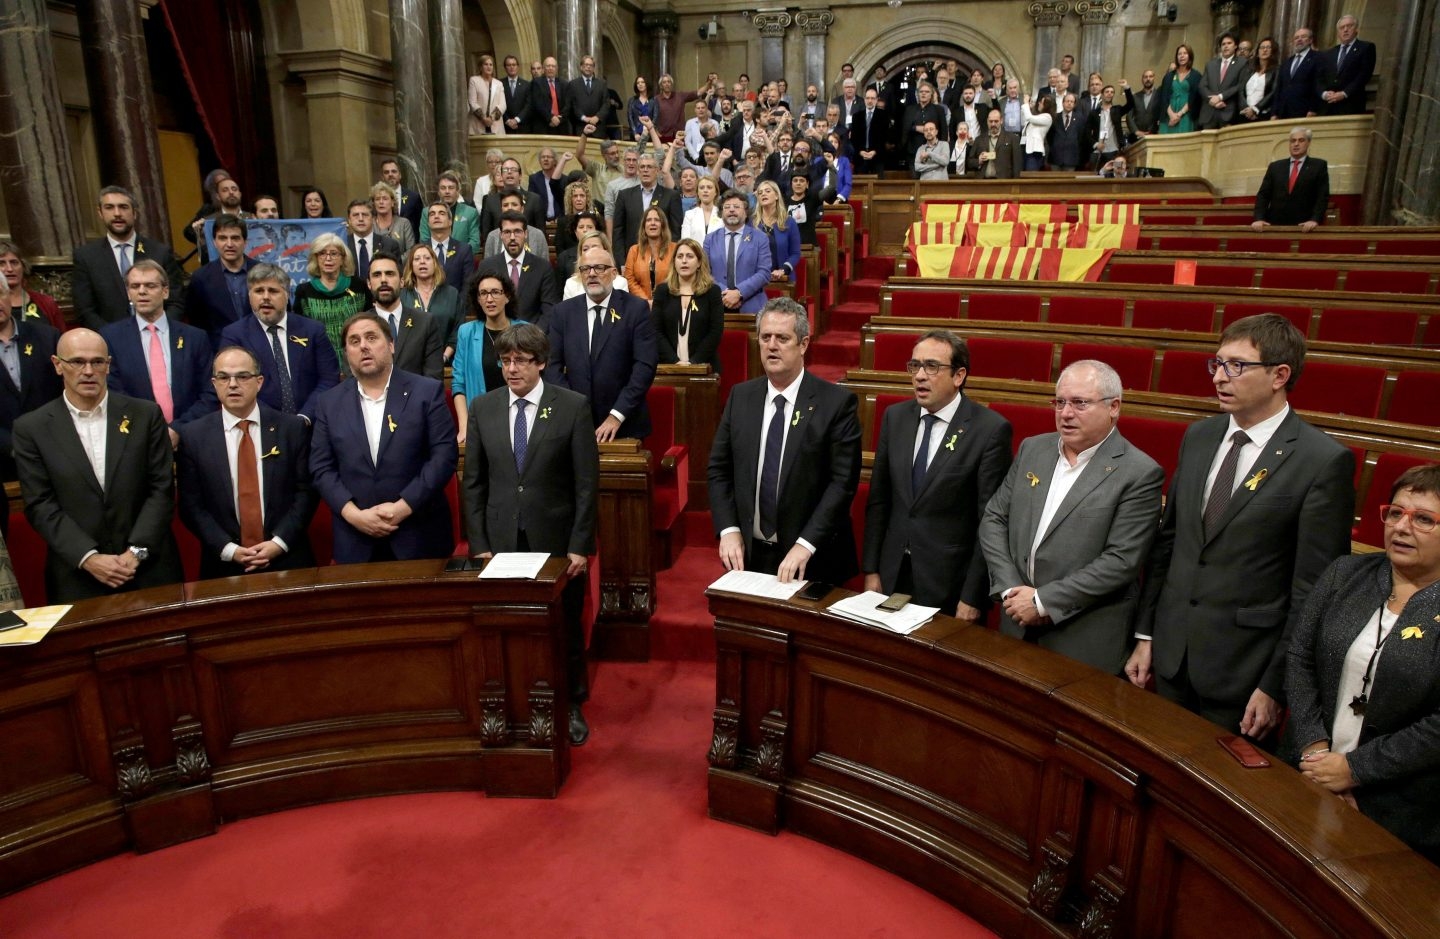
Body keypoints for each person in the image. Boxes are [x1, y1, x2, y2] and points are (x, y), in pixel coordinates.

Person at [1128, 314, 1355, 739]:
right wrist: (1147, 634)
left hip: (1244, 673)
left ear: (1279, 375)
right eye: (1216, 363)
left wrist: (1276, 685)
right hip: (1172, 656)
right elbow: (1170, 543)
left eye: (1237, 365)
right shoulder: (1198, 436)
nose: (1219, 377)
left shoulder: (1321, 461)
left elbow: (1314, 591)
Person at [1283, 464, 1440, 864]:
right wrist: (1317, 755)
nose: (1401, 528)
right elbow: (1300, 658)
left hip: (1399, 806)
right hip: (1305, 774)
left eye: (1423, 519)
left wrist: (1355, 769)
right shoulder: (1345, 574)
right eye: (1395, 513)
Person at [978, 360, 1164, 675]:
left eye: (1079, 403)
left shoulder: (1140, 472)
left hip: (1082, 639)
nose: (1065, 413)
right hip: (1016, 621)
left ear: (1113, 407)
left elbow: (1121, 561)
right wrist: (1010, 590)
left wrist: (1042, 601)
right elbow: (994, 517)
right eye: (1060, 402)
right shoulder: (1032, 449)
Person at [463, 322, 598, 745]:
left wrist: (579, 546)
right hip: (501, 540)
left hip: (555, 540)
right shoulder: (483, 408)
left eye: (521, 360)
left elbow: (586, 484)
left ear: (541, 363)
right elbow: (474, 484)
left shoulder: (572, 406)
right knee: (508, 627)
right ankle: (516, 699)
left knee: (564, 626)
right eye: (505, 361)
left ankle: (570, 701)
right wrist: (479, 544)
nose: (511, 369)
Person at [12, 328, 184, 602]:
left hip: (149, 570)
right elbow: (40, 504)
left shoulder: (145, 414)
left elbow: (161, 489)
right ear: (58, 365)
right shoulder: (31, 428)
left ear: (108, 365)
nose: (88, 370)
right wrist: (89, 558)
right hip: (78, 576)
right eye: (77, 362)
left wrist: (135, 553)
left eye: (97, 362)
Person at [707, 296, 860, 584]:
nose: (772, 345)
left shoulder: (836, 404)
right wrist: (728, 529)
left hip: (812, 559)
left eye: (782, 338)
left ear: (803, 344)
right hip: (749, 557)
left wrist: (806, 545)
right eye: (765, 337)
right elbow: (718, 469)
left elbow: (842, 484)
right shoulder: (741, 397)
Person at [865, 331, 1012, 619]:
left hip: (949, 585)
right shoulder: (895, 417)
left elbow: (990, 522)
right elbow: (879, 501)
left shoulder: (989, 430)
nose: (920, 375)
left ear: (959, 376)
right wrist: (871, 570)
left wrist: (972, 596)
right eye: (914, 366)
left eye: (931, 367)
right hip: (892, 574)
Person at [310, 312, 458, 563]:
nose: (364, 346)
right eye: (354, 341)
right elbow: (321, 468)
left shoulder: (426, 392)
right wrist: (354, 515)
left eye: (371, 337)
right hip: (356, 538)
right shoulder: (328, 402)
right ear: (346, 353)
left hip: (419, 534)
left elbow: (444, 457)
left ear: (391, 345)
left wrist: (402, 508)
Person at [177, 345, 318, 579]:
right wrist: (229, 549)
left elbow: (306, 493)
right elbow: (191, 506)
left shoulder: (292, 429)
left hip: (288, 558)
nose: (232, 384)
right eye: (223, 377)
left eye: (242, 376)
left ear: (259, 382)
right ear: (214, 383)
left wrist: (279, 543)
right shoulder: (193, 436)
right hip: (223, 566)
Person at [545, 241, 656, 442]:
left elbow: (645, 367)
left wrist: (617, 415)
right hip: (573, 424)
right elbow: (552, 367)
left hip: (625, 424)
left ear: (614, 273)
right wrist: (574, 410)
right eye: (585, 269)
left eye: (599, 268)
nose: (592, 273)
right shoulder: (563, 312)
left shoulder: (635, 309)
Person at [100, 260, 216, 448]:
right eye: (135, 286)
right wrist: (152, 430)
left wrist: (178, 429)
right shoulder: (111, 337)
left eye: (150, 285)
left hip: (192, 436)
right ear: (129, 292)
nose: (142, 291)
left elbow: (210, 391)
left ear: (165, 291)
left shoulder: (195, 337)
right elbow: (113, 393)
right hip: (137, 439)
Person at [219, 263, 340, 425]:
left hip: (312, 424)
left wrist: (304, 417)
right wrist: (279, 424)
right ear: (250, 296)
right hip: (262, 426)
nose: (265, 297)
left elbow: (329, 378)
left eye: (273, 291)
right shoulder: (235, 335)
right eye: (259, 291)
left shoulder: (313, 330)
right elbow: (236, 385)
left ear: (287, 294)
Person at [71, 186, 183, 331]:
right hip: (110, 342)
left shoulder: (160, 252)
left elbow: (176, 302)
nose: (117, 213)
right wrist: (113, 337)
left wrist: (157, 330)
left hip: (157, 336)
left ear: (134, 213)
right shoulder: (86, 256)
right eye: (109, 207)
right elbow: (84, 310)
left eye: (123, 207)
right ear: (100, 213)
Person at [0, 273, 62, 498]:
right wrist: (15, 446)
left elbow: (67, 392)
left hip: (58, 451)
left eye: (1, 293)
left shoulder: (47, 337)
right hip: (4, 462)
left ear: (10, 296)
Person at [452, 272, 527, 443]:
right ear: (478, 299)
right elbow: (459, 384)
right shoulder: (466, 332)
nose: (489, 299)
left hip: (519, 419)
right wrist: (464, 427)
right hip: (480, 423)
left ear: (507, 296)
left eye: (495, 292)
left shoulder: (525, 331)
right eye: (483, 293)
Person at [292, 233, 371, 364]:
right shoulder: (304, 291)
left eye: (334, 254)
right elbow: (301, 332)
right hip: (319, 360)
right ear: (315, 258)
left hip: (357, 358)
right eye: (322, 253)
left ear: (343, 259)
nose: (328, 258)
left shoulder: (359, 286)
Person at [365, 251, 442, 381]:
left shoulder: (425, 322)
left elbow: (433, 378)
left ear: (401, 282)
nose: (383, 280)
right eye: (377, 275)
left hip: (416, 399)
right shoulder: (358, 326)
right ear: (369, 283)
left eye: (390, 274)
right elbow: (354, 376)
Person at [474, 211, 559, 328]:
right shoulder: (487, 266)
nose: (512, 237)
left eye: (517, 232)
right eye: (507, 232)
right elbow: (480, 305)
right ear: (500, 235)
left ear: (526, 234)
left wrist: (532, 338)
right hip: (497, 337)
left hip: (532, 338)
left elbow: (549, 310)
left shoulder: (543, 267)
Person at [182, 214, 256, 345]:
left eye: (235, 238)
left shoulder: (263, 272)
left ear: (245, 242)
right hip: (221, 353)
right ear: (214, 242)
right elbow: (197, 324)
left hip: (260, 348)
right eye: (223, 238)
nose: (229, 244)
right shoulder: (201, 278)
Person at [650, 238, 723, 371]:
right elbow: (656, 330)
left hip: (704, 367)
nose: (684, 261)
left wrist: (694, 363)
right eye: (680, 256)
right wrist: (674, 362)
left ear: (699, 262)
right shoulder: (662, 291)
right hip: (667, 367)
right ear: (674, 262)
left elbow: (715, 332)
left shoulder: (712, 292)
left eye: (690, 256)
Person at [705, 190, 773, 316]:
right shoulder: (710, 239)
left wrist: (739, 293)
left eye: (736, 207)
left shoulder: (760, 238)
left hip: (752, 305)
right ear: (721, 212)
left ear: (746, 212)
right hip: (716, 304)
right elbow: (704, 273)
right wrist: (724, 293)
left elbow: (764, 273)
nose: (731, 210)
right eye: (727, 207)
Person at [612, 152, 683, 270]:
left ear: (657, 171)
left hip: (663, 259)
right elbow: (618, 231)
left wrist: (671, 257)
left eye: (649, 167)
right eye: (642, 167)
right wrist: (621, 261)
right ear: (638, 171)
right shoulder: (624, 195)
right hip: (632, 260)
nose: (645, 170)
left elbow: (676, 231)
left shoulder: (671, 196)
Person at [1251, 127, 1329, 232]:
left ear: (1308, 143)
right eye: (1293, 141)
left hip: (1304, 226)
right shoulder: (1275, 167)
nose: (1296, 144)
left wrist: (1314, 220)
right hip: (1275, 225)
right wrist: (1259, 219)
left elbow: (1322, 196)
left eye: (1301, 140)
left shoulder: (1319, 166)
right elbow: (1263, 195)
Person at [400, 244, 462, 365]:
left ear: (435, 264)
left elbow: (457, 330)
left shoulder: (451, 293)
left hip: (445, 362)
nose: (422, 262)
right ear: (411, 266)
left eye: (427, 258)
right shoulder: (402, 295)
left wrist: (444, 357)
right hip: (409, 364)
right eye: (417, 259)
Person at [0, 241, 66, 332]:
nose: (10, 269)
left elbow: (61, 338)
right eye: (1, 263)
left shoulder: (46, 303)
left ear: (23, 267)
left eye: (14, 263)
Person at [1317, 14, 1375, 116]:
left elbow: (1364, 75)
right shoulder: (1328, 53)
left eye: (1349, 26)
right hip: (1328, 106)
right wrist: (1324, 94)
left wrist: (1344, 93)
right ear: (1338, 32)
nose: (1345, 30)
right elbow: (1319, 78)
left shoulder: (1366, 48)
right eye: (1342, 27)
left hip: (1351, 104)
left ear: (1356, 29)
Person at [623, 206, 676, 303]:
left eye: (657, 220)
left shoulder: (675, 249)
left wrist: (659, 302)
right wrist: (646, 301)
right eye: (648, 220)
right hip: (640, 304)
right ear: (644, 226)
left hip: (668, 302)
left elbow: (677, 278)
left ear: (663, 225)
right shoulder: (634, 250)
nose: (652, 223)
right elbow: (629, 279)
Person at [421, 171, 483, 254]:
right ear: (438, 192)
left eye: (451, 188)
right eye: (443, 188)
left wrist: (456, 257)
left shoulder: (470, 212)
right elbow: (424, 240)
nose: (447, 191)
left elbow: (475, 243)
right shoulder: (427, 212)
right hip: (434, 261)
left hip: (462, 261)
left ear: (458, 191)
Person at [1199, 33, 1250, 129]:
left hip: (1228, 113)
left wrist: (1220, 97)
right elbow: (1202, 86)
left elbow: (1240, 85)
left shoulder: (1242, 63)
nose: (1226, 46)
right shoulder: (1211, 64)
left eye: (1229, 43)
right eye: (1223, 44)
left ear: (1235, 46)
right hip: (1209, 114)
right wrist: (1211, 100)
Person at [752, 181, 799, 284]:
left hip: (783, 279)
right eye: (760, 193)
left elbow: (795, 253)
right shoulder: (751, 223)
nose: (763, 194)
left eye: (767, 191)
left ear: (777, 196)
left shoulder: (789, 222)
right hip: (756, 280)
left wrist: (783, 270)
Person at [481, 188, 549, 260]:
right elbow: (488, 268)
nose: (510, 208)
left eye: (514, 204)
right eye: (505, 205)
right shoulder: (492, 236)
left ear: (522, 209)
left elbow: (544, 267)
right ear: (501, 209)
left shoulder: (538, 235)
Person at [344, 199, 401, 283]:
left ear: (373, 218)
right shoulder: (343, 245)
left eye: (365, 215)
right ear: (349, 220)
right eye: (356, 215)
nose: (360, 219)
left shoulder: (390, 245)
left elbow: (397, 275)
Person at [425, 201, 477, 291]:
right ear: (428, 223)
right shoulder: (420, 249)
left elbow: (468, 286)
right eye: (432, 214)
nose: (436, 216)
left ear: (450, 221)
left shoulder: (464, 250)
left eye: (441, 213)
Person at [1273, 27, 1322, 119]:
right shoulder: (1287, 62)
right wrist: (1274, 112)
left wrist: (1313, 109)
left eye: (1303, 37)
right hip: (1283, 112)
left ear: (1310, 40)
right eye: (1296, 38)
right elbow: (1279, 88)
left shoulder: (1318, 58)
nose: (1299, 40)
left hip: (1305, 111)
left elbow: (1318, 85)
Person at [1159, 44, 1202, 133]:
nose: (1182, 56)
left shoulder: (1196, 76)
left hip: (1186, 115)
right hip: (1168, 116)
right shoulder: (1168, 76)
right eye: (1179, 54)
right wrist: (1171, 115)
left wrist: (1179, 115)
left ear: (1190, 56)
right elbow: (1163, 98)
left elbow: (1194, 99)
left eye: (1185, 53)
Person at [971, 109, 1023, 179]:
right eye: (991, 121)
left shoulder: (1012, 138)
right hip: (983, 182)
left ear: (1001, 121)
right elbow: (969, 161)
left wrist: (1015, 184)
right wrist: (978, 161)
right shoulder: (979, 139)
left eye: (996, 121)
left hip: (1004, 183)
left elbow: (1017, 164)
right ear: (987, 121)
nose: (993, 124)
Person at [556, 180, 601, 258]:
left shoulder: (595, 220)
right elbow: (560, 248)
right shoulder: (562, 222)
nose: (578, 199)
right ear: (570, 199)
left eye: (582, 195)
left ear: (587, 198)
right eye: (575, 196)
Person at [568, 54, 610, 137]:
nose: (588, 67)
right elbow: (572, 105)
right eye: (586, 65)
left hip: (598, 128)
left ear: (594, 68)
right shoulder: (573, 84)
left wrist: (597, 117)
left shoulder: (601, 84)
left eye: (591, 65)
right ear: (581, 67)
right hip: (580, 127)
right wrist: (583, 117)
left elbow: (606, 104)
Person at [1238, 37, 1278, 122]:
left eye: (1268, 47)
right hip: (1245, 114)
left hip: (1263, 115)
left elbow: (1273, 92)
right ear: (1257, 52)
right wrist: (1246, 109)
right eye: (1262, 47)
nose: (1265, 50)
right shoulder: (1248, 70)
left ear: (1273, 51)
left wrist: (1255, 109)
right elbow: (1241, 90)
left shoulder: (1276, 70)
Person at [370, 183, 415, 255]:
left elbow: (411, 250)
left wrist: (395, 262)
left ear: (392, 202)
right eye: (377, 199)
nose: (381, 202)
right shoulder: (369, 224)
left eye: (385, 199)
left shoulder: (404, 223)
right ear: (374, 203)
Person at [853, 88, 891, 175]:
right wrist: (860, 151)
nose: (870, 101)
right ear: (864, 99)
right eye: (868, 98)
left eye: (873, 98)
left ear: (877, 100)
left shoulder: (883, 115)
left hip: (877, 156)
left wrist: (874, 151)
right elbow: (854, 137)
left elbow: (884, 137)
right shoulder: (857, 116)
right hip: (860, 157)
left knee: (878, 186)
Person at [556, 212, 601, 283]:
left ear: (596, 230)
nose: (585, 230)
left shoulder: (605, 254)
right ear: (575, 232)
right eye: (581, 227)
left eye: (590, 227)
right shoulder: (564, 258)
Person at [380, 159, 424, 232]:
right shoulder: (377, 199)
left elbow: (419, 225)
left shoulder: (413, 197)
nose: (390, 174)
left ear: (400, 175)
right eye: (386, 172)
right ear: (382, 177)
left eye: (394, 171)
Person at [468, 53, 506, 135]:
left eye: (491, 65)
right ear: (481, 67)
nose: (489, 67)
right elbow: (472, 102)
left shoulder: (499, 83)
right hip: (478, 125)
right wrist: (484, 118)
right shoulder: (474, 80)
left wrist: (491, 118)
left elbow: (503, 105)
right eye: (486, 64)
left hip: (495, 126)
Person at [531, 56, 571, 134]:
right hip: (544, 125)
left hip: (561, 126)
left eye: (553, 66)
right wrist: (551, 118)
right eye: (548, 66)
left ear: (557, 69)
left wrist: (560, 118)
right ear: (543, 69)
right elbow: (538, 104)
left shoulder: (564, 84)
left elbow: (568, 104)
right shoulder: (536, 83)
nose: (550, 68)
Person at [681, 175, 725, 243]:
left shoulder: (723, 214)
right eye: (701, 188)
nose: (705, 190)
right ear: (698, 193)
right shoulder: (689, 215)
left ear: (716, 192)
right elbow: (685, 241)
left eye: (709, 187)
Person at [1046, 93, 1085, 171]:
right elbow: (1050, 136)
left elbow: (1081, 138)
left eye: (1072, 102)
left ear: (1074, 104)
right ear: (1063, 103)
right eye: (1067, 101)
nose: (1069, 103)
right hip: (1055, 157)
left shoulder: (1080, 118)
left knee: (1068, 182)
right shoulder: (1055, 117)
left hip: (1071, 159)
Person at [500, 54, 532, 134]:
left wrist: (517, 119)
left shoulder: (526, 84)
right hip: (505, 127)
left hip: (523, 126)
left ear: (518, 66)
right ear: (505, 67)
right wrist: (507, 120)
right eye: (509, 65)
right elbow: (498, 104)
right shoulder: (499, 84)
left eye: (514, 65)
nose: (512, 67)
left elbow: (528, 105)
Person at [1021, 96, 1054, 171]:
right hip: (1026, 148)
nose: (1039, 103)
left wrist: (1026, 103)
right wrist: (1029, 108)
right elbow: (1026, 120)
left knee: (1030, 175)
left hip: (1035, 151)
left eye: (1041, 102)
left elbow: (1029, 117)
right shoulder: (1038, 116)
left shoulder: (1047, 117)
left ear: (1046, 106)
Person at [627, 75, 655, 140]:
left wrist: (649, 130)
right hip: (636, 135)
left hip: (650, 133)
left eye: (642, 82)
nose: (640, 84)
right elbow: (630, 118)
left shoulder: (653, 100)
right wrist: (635, 133)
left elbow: (655, 118)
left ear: (647, 84)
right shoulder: (632, 100)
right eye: (638, 83)